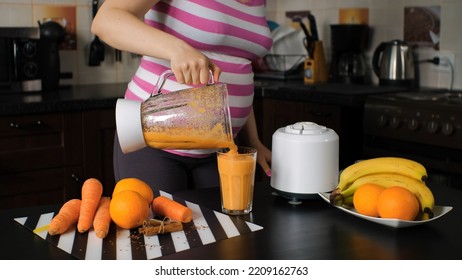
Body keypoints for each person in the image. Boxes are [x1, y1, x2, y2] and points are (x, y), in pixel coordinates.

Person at [92, 0, 273, 192]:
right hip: (152, 140)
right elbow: (105, 20)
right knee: (159, 222)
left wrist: (253, 140)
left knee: (222, 222)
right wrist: (177, 49)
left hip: (221, 147)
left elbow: (235, 69)